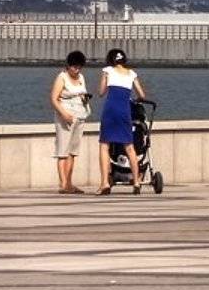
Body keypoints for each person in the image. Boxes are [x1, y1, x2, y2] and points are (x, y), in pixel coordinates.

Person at [96, 47, 145, 195]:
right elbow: (142, 94)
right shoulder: (132, 74)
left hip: (110, 110)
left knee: (105, 145)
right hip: (125, 111)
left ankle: (105, 182)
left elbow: (101, 92)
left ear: (111, 60)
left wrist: (105, 79)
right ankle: (136, 181)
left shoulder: (107, 71)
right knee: (129, 147)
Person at [50, 50, 89, 194]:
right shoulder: (62, 77)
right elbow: (54, 98)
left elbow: (83, 92)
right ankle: (63, 184)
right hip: (65, 117)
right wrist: (64, 114)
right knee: (63, 151)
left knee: (73, 152)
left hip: (79, 116)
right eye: (74, 67)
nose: (77, 70)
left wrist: (85, 98)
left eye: (79, 67)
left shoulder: (81, 77)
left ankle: (70, 183)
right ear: (69, 66)